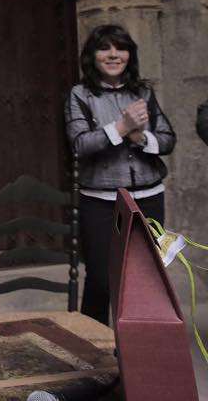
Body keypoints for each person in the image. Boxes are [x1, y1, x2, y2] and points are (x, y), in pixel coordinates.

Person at [65, 24, 176, 325]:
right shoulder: (81, 95)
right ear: (92, 56)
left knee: (146, 281)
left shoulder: (144, 92)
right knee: (101, 279)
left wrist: (140, 137)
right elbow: (79, 144)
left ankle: (138, 357)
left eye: (121, 48)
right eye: (105, 48)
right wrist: (121, 128)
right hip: (102, 203)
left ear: (130, 54)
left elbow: (167, 140)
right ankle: (94, 356)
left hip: (149, 199)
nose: (114, 54)